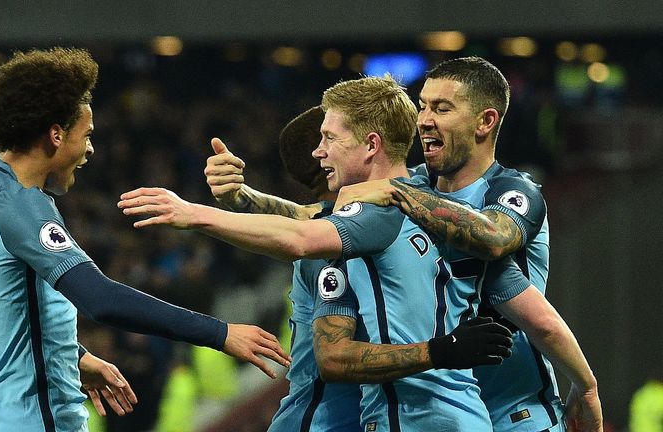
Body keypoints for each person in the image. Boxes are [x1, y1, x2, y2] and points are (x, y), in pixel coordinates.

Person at [119, 75, 527, 431]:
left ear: (369, 145)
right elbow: (304, 225)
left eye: (329, 139)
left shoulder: (382, 216)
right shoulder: (415, 213)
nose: (320, 150)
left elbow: (301, 233)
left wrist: (198, 212)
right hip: (346, 418)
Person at [0, 47, 290, 432]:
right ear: (56, 134)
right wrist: (220, 332)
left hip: (5, 416)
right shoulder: (22, 207)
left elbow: (8, 313)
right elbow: (101, 300)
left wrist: (73, 357)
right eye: (87, 135)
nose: (91, 149)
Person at [330, 57, 602, 432]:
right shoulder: (412, 186)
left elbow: (493, 239)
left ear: (485, 121)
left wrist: (585, 385)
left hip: (518, 412)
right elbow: (318, 221)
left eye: (441, 108)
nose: (423, 119)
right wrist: (243, 199)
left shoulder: (513, 191)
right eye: (422, 105)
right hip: (445, 411)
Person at [209, 106, 512, 431]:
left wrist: (243, 197)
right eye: (331, 138)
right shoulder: (330, 249)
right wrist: (441, 350)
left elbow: (309, 213)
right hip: (317, 424)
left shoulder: (370, 217)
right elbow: (334, 359)